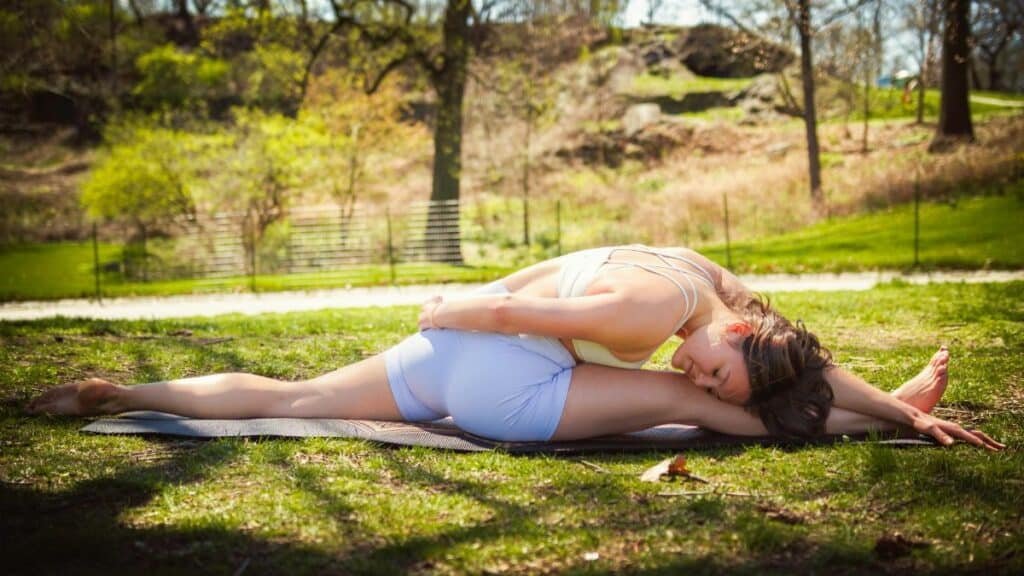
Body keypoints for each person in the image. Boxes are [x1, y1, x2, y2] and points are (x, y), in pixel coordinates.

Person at [28, 245, 1003, 450]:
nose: (691, 370)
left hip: (458, 359)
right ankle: (872, 432)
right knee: (727, 425)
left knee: (297, 398)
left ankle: (123, 392)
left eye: (708, 373)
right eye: (710, 363)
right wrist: (455, 307)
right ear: (733, 334)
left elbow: (804, 363)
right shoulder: (649, 315)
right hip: (497, 370)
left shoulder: (711, 288)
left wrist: (896, 398)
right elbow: (512, 315)